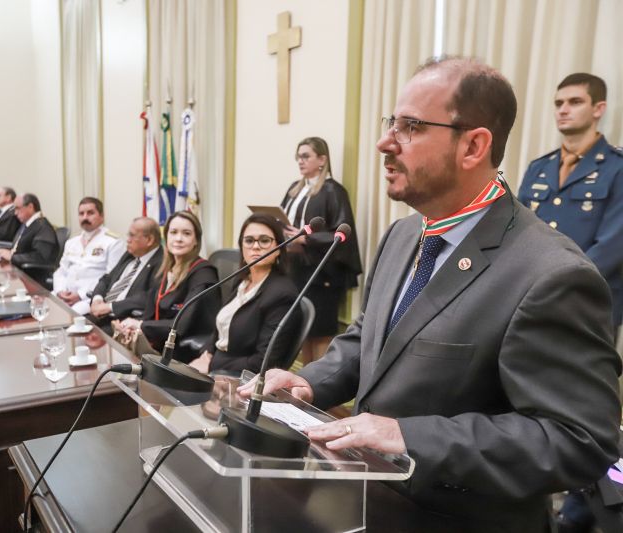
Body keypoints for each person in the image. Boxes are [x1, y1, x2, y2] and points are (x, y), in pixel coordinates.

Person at [240, 56, 621, 532]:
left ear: (473, 146)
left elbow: (577, 441)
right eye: (390, 124)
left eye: (411, 127)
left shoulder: (551, 273)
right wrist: (311, 382)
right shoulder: (402, 236)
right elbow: (369, 339)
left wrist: (408, 435)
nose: (384, 142)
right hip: (366, 502)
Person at [518, 73, 623, 335]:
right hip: (531, 299)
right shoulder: (539, 167)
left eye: (575, 102)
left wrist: (556, 284)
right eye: (558, 103)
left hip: (588, 302)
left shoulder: (617, 168)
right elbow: (516, 230)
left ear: (599, 109)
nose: (563, 110)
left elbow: (612, 246)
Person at [280, 137, 362, 364]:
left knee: (320, 332)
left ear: (322, 159)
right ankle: (303, 384)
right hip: (295, 270)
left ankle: (317, 390)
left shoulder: (333, 191)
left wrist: (307, 239)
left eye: (306, 156)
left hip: (322, 273)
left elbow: (342, 233)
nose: (300, 161)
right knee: (303, 331)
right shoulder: (295, 189)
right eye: (298, 156)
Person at [187, 213, 301, 375]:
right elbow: (220, 330)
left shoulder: (282, 295)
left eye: (264, 240)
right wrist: (206, 354)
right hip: (215, 368)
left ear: (279, 250)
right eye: (249, 241)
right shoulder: (243, 280)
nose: (255, 246)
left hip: (238, 381)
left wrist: (212, 364)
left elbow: (263, 362)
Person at [115, 211, 220, 363]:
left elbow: (181, 326)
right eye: (173, 232)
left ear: (196, 240)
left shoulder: (204, 274)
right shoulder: (167, 269)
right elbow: (150, 311)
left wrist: (141, 325)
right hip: (157, 348)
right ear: (166, 237)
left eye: (186, 233)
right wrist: (131, 326)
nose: (178, 238)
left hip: (184, 355)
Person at [88, 217, 163, 331]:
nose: (127, 240)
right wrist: (97, 299)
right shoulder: (130, 254)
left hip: (122, 324)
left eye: (132, 236)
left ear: (149, 240)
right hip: (100, 316)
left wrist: (110, 307)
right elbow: (107, 279)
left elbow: (148, 298)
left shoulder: (162, 262)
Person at [52, 197, 123, 315]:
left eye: (90, 213)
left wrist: (80, 295)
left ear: (102, 216)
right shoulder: (72, 242)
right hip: (64, 294)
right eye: (81, 213)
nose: (85, 217)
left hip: (89, 298)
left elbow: (111, 277)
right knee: (44, 306)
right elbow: (61, 271)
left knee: (70, 316)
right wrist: (60, 291)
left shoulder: (113, 242)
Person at [0, 193, 58, 286]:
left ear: (30, 207)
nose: (15, 213)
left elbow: (40, 257)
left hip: (31, 279)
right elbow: (21, 248)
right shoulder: (28, 224)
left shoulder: (43, 227)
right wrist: (6, 252)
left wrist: (12, 257)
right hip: (18, 271)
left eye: (18, 208)